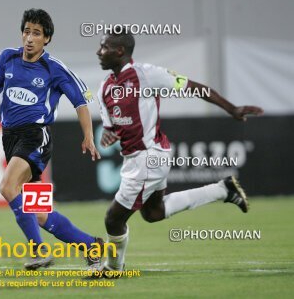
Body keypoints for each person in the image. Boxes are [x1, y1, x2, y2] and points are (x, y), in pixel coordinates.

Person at [95, 31, 264, 275]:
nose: (99, 52)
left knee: (113, 219)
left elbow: (194, 87)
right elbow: (111, 128)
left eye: (104, 47)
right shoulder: (105, 89)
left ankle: (113, 268)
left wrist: (232, 108)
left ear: (120, 51)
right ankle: (222, 189)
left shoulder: (146, 74)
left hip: (149, 156)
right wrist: (107, 134)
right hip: (136, 158)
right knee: (154, 213)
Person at [0, 8, 103, 270]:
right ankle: (92, 245)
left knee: (7, 186)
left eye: (36, 33)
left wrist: (88, 136)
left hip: (36, 136)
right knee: (39, 215)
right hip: (10, 139)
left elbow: (81, 101)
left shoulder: (54, 68)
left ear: (46, 38)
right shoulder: (7, 58)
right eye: (26, 31)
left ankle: (38, 251)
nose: (29, 38)